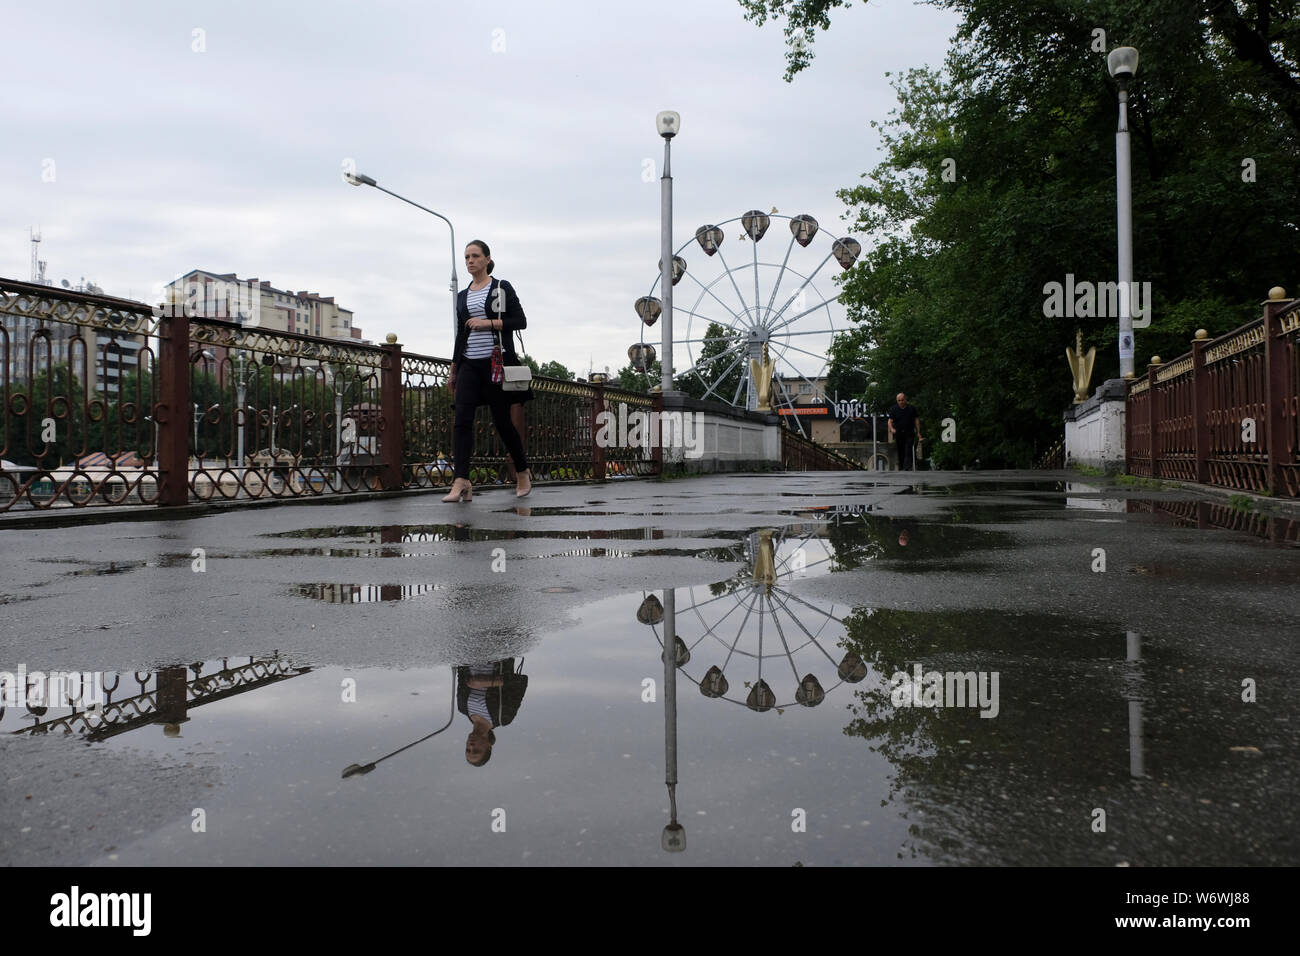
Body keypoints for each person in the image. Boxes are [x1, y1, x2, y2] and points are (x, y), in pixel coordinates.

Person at [444, 240, 532, 501]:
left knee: (502, 423)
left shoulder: (500, 288)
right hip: (469, 364)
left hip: (497, 365)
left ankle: (523, 471)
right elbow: (461, 334)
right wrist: (453, 369)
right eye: (467, 257)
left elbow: (521, 321)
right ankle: (461, 481)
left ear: (487, 259)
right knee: (462, 420)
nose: (470, 261)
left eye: (475, 256)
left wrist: (488, 323)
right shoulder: (463, 296)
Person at [457, 658, 529, 767]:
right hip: (497, 653)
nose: (471, 746)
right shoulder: (502, 717)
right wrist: (486, 682)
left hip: (471, 651)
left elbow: (461, 670)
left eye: (468, 749)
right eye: (476, 750)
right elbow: (521, 681)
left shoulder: (462, 707)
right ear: (488, 746)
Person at [886, 392, 921, 470]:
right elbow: (890, 421)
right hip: (899, 432)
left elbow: (916, 420)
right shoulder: (894, 409)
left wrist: (918, 432)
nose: (901, 402)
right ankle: (902, 467)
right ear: (897, 401)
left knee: (908, 449)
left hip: (909, 432)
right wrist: (892, 429)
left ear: (905, 399)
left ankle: (907, 467)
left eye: (902, 400)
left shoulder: (911, 408)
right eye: (899, 400)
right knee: (901, 450)